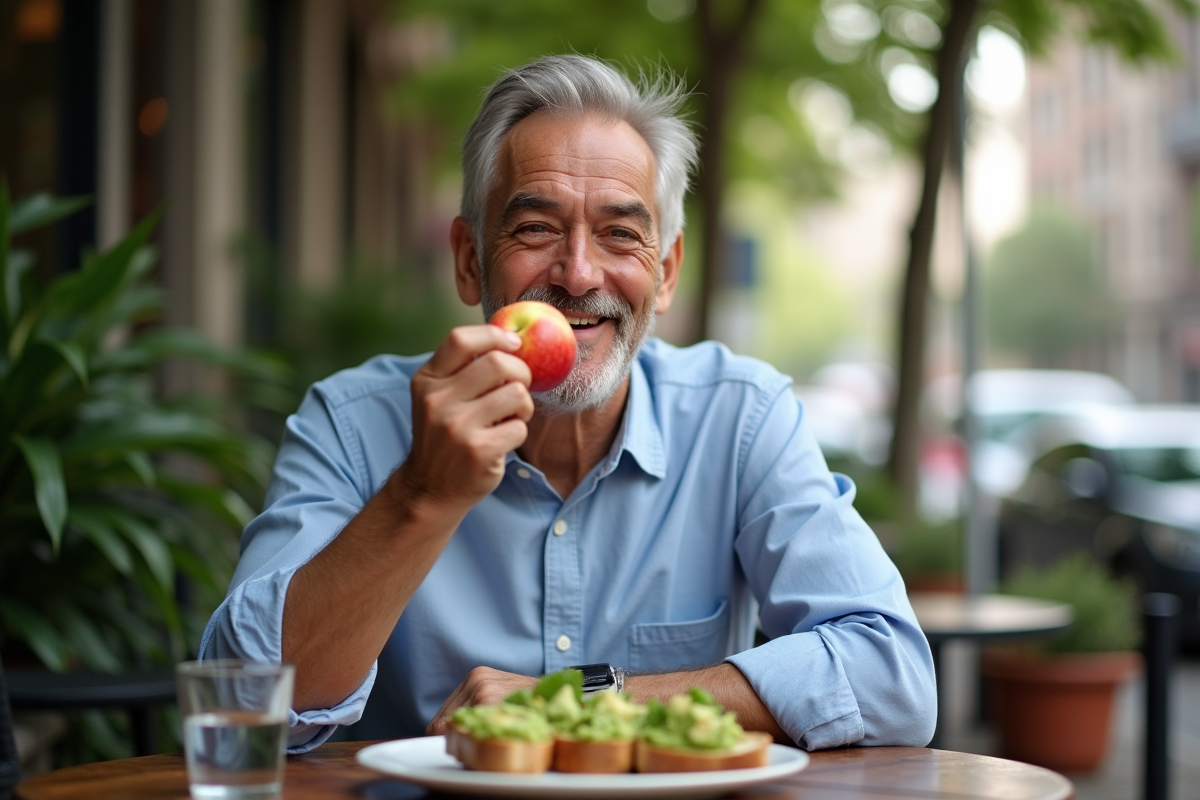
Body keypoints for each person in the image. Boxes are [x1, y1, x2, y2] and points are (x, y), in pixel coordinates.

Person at [199, 54, 936, 753]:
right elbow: (245, 701)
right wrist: (421, 495)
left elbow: (892, 677)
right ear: (468, 258)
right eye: (535, 229)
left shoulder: (741, 420)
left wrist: (580, 698)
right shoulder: (354, 424)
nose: (580, 274)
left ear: (668, 271)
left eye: (621, 234)